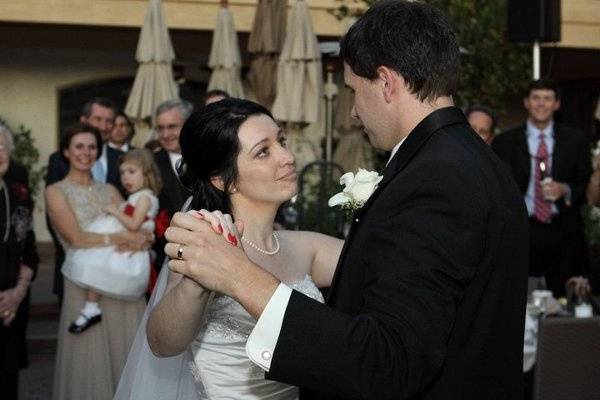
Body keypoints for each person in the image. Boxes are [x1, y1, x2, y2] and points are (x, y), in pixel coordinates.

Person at [163, 1, 530, 399]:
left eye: (354, 90)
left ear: (387, 83)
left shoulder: (434, 179)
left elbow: (386, 360)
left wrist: (238, 275)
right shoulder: (478, 163)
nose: (353, 111)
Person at [115, 98, 343, 399]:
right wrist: (200, 278)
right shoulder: (207, 246)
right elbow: (162, 343)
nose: (287, 157)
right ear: (223, 180)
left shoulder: (304, 246)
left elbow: (380, 263)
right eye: (264, 151)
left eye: (282, 141)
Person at [45, 123, 151, 399]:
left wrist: (145, 238)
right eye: (79, 146)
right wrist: (123, 239)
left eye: (92, 147)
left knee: (124, 353)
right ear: (66, 152)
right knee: (88, 363)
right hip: (84, 285)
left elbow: (136, 228)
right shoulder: (56, 192)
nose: (86, 152)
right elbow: (76, 238)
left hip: (122, 284)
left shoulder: (111, 191)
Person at [492, 79, 592, 297]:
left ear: (557, 104)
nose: (541, 104)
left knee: (563, 306)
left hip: (563, 234)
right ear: (527, 103)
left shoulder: (577, 141)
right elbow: (497, 190)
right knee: (515, 299)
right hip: (520, 232)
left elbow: (586, 187)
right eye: (536, 98)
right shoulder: (504, 142)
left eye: (547, 98)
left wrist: (565, 189)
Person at [64, 149, 161, 333]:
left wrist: (116, 211)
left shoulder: (145, 197)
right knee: (94, 264)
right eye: (123, 173)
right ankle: (91, 307)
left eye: (131, 172)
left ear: (146, 173)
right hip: (124, 239)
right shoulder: (137, 196)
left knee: (98, 266)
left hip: (132, 242)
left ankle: (92, 307)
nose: (125, 178)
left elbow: (134, 224)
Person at [45, 97, 122, 302]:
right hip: (75, 266)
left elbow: (128, 213)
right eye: (98, 119)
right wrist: (72, 250)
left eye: (109, 121)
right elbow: (54, 220)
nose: (104, 126)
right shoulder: (57, 165)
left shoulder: (122, 161)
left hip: (118, 272)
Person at [0, 123, 38, 400]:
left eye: (2, 146)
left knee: (8, 380)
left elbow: (30, 249)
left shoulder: (17, 187)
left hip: (13, 305)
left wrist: (18, 292)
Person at [152, 99, 193, 270]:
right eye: (160, 128)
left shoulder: (210, 159)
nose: (165, 134)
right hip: (167, 259)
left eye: (172, 127)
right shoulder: (151, 163)